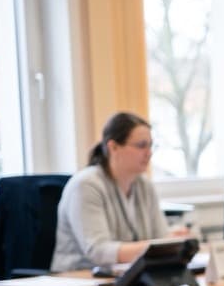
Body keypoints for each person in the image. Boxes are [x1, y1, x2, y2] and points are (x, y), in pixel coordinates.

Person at [51, 112, 184, 271]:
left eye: (151, 145)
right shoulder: (86, 185)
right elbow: (98, 251)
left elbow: (161, 237)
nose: (149, 153)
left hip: (127, 276)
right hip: (78, 280)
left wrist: (175, 240)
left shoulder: (144, 186)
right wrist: (155, 247)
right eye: (141, 145)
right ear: (113, 147)